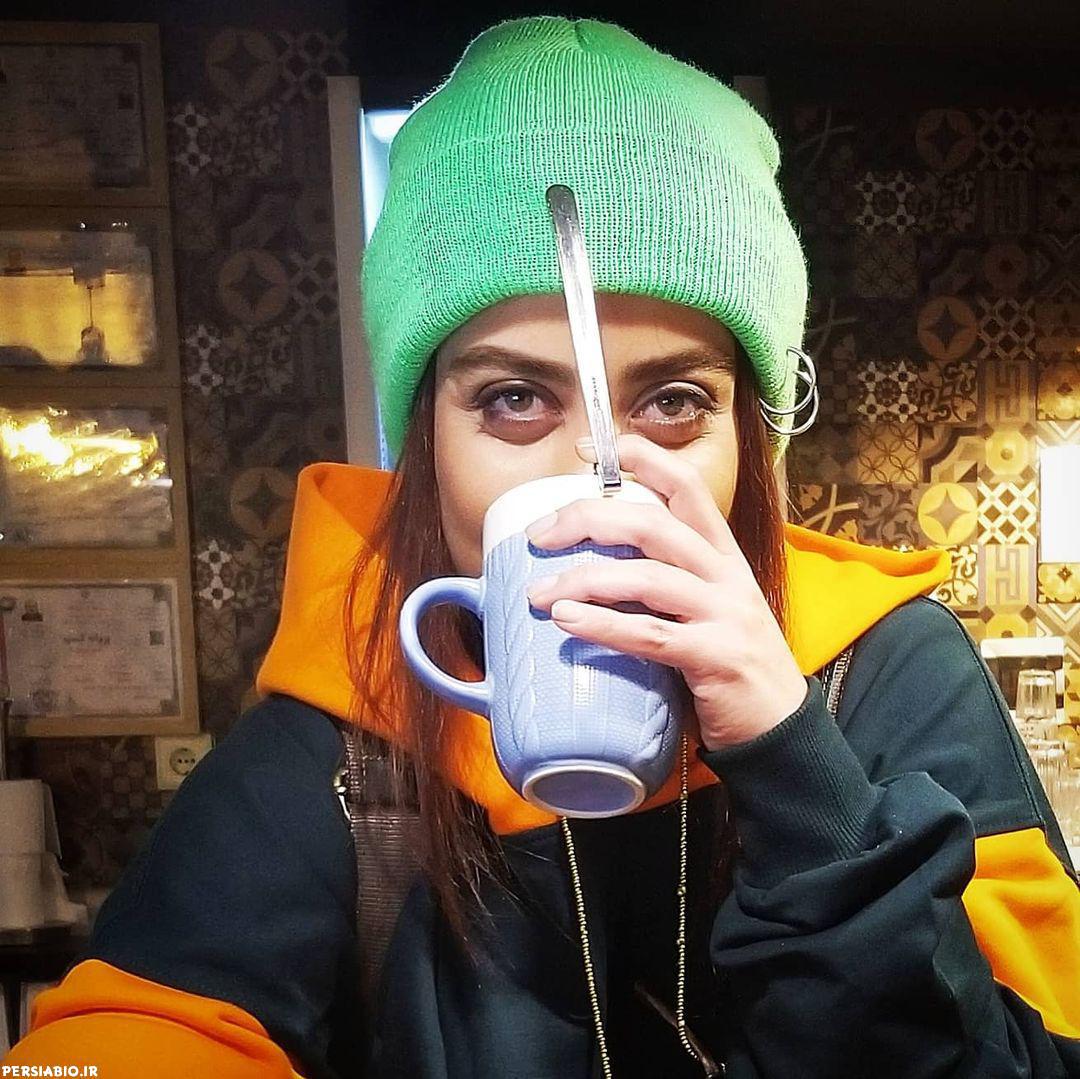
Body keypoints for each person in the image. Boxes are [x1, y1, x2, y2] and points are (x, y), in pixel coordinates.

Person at [4, 15, 1078, 1079]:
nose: (594, 479)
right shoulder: (351, 717)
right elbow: (137, 1031)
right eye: (513, 397)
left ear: (753, 437)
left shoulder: (884, 672)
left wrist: (793, 757)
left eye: (673, 401)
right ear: (425, 442)